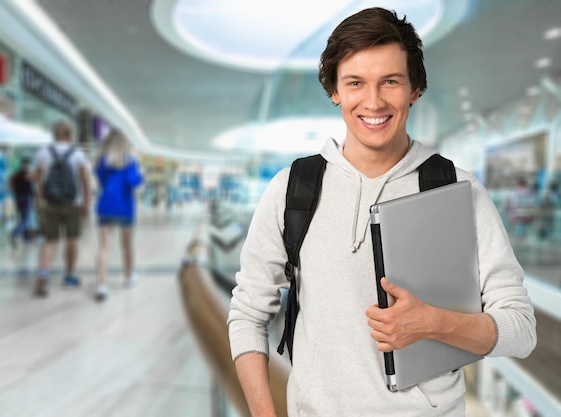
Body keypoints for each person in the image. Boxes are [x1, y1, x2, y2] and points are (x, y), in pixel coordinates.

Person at [227, 8, 537, 417]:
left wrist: (435, 323)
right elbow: (248, 312)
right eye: (355, 83)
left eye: (390, 82)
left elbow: (521, 331)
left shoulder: (455, 190)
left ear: (414, 89)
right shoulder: (293, 189)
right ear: (335, 90)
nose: (373, 102)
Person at [33, 120, 91, 297]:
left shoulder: (43, 152)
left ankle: (44, 274)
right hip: (72, 204)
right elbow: (85, 180)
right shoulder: (78, 154)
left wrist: (41, 200)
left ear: (54, 135)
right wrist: (86, 203)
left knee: (50, 240)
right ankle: (69, 276)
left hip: (50, 203)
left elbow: (38, 178)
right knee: (71, 240)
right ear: (70, 135)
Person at [93, 129, 143, 301]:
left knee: (104, 246)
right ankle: (128, 277)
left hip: (105, 206)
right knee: (127, 244)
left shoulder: (101, 160)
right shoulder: (130, 160)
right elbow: (134, 182)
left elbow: (99, 179)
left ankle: (101, 285)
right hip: (125, 207)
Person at [8, 157, 34, 247]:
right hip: (26, 198)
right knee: (25, 220)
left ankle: (27, 238)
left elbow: (10, 186)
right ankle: (14, 234)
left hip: (18, 197)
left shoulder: (15, 175)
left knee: (24, 218)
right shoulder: (28, 175)